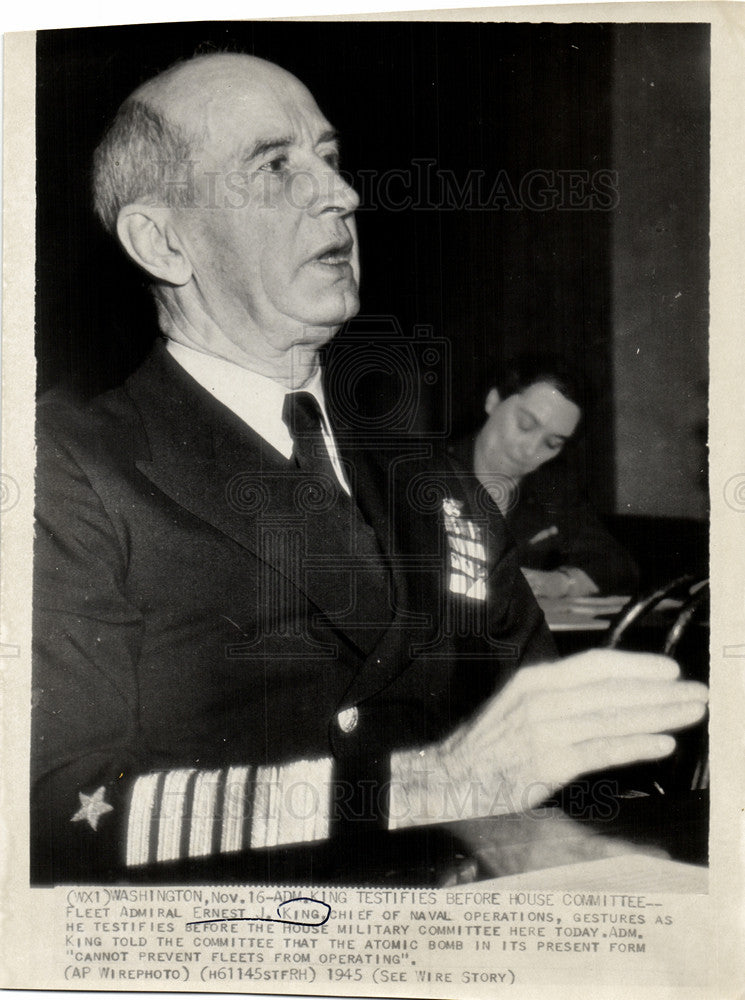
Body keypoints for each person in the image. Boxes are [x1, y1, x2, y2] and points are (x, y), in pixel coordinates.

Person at [32, 53, 707, 884]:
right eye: (275, 165)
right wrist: (432, 786)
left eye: (329, 157)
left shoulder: (427, 474)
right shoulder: (68, 471)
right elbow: (52, 811)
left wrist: (541, 850)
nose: (342, 194)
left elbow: (526, 724)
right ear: (163, 239)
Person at [450, 358, 639, 598]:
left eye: (552, 443)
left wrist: (560, 583)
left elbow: (616, 565)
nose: (530, 450)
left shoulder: (552, 488)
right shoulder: (422, 472)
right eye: (525, 425)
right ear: (493, 400)